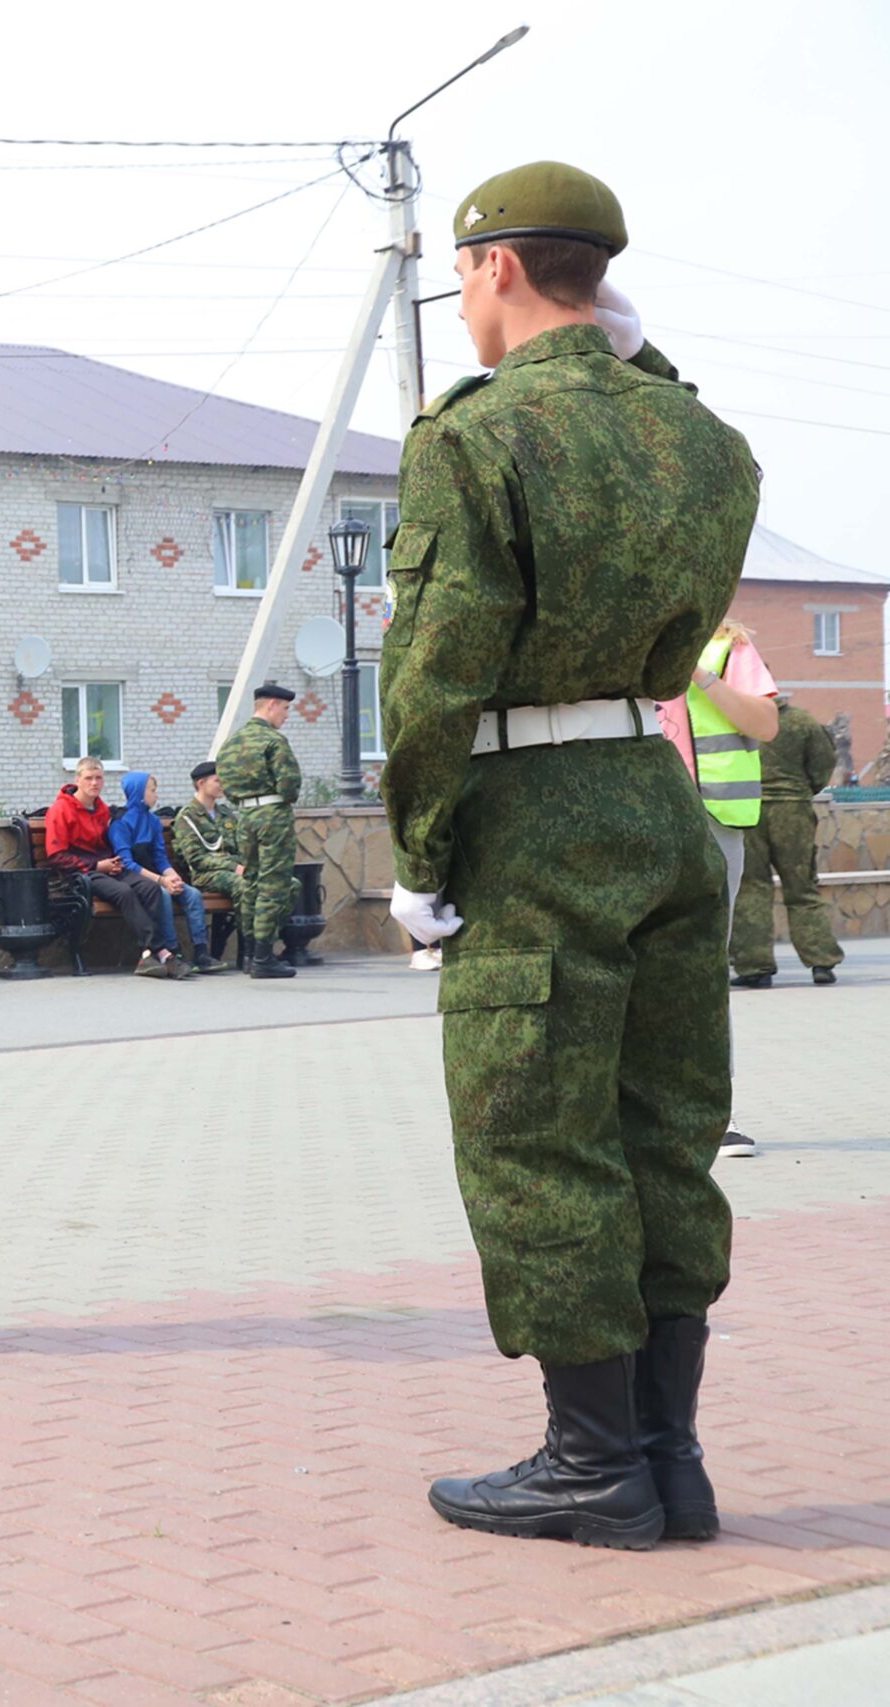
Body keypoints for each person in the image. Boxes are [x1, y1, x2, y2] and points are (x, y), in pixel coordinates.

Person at [380, 162, 760, 1550]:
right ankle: (670, 1457)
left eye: (464, 282)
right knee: (666, 1130)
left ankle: (592, 1462)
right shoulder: (704, 440)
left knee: (539, 1134)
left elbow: (438, 659)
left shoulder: (477, 435)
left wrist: (420, 838)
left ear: (493, 270)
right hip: (655, 798)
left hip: (529, 806)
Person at [652, 618, 780, 1161]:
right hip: (637, 819)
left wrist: (700, 675)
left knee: (703, 968)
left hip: (712, 821)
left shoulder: (727, 644)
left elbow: (766, 723)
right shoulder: (612, 631)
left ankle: (713, 1117)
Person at [730, 694, 844, 989]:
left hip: (746, 809)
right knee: (802, 888)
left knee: (751, 888)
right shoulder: (802, 721)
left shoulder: (734, 718)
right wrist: (802, 790)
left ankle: (755, 968)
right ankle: (821, 962)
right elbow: (823, 763)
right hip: (793, 810)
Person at [46, 757, 179, 978]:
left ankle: (147, 956)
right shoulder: (60, 810)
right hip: (79, 874)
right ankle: (162, 952)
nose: (94, 783)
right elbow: (56, 856)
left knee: (150, 888)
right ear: (77, 779)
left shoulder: (102, 810)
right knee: (125, 892)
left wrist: (112, 863)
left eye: (99, 778)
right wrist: (97, 865)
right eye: (88, 778)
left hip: (107, 868)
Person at [216, 684, 303, 978]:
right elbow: (290, 786)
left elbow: (226, 788)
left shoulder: (231, 743)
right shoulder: (274, 741)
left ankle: (251, 955)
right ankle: (264, 958)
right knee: (273, 884)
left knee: (251, 881)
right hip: (272, 816)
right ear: (272, 705)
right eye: (286, 709)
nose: (286, 716)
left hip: (245, 816)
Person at [112, 772, 217, 976]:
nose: (156, 795)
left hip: (160, 876)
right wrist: (162, 881)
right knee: (164, 894)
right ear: (138, 793)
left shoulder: (152, 820)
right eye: (152, 790)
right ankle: (173, 951)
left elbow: (160, 857)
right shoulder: (121, 822)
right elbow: (127, 863)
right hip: (137, 878)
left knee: (192, 894)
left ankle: (201, 952)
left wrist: (173, 877)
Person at [169, 761, 249, 961]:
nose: (222, 785)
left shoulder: (226, 814)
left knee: (285, 884)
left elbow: (241, 847)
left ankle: (266, 947)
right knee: (244, 886)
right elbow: (196, 859)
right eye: (217, 780)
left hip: (233, 871)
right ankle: (249, 952)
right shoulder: (187, 817)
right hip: (205, 876)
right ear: (201, 783)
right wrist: (233, 866)